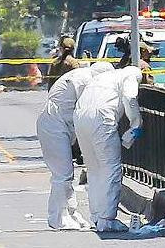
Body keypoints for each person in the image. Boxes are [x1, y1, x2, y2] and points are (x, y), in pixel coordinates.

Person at [37, 62, 114, 230]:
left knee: (68, 174)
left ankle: (70, 213)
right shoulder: (84, 79)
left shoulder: (82, 76)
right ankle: (57, 217)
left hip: (61, 124)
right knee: (62, 174)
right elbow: (86, 108)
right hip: (54, 125)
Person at [73, 66, 143, 232]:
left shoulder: (104, 78)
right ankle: (107, 220)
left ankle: (97, 215)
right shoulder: (131, 75)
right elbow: (130, 98)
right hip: (101, 118)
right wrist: (136, 123)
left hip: (81, 118)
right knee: (110, 168)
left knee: (94, 169)